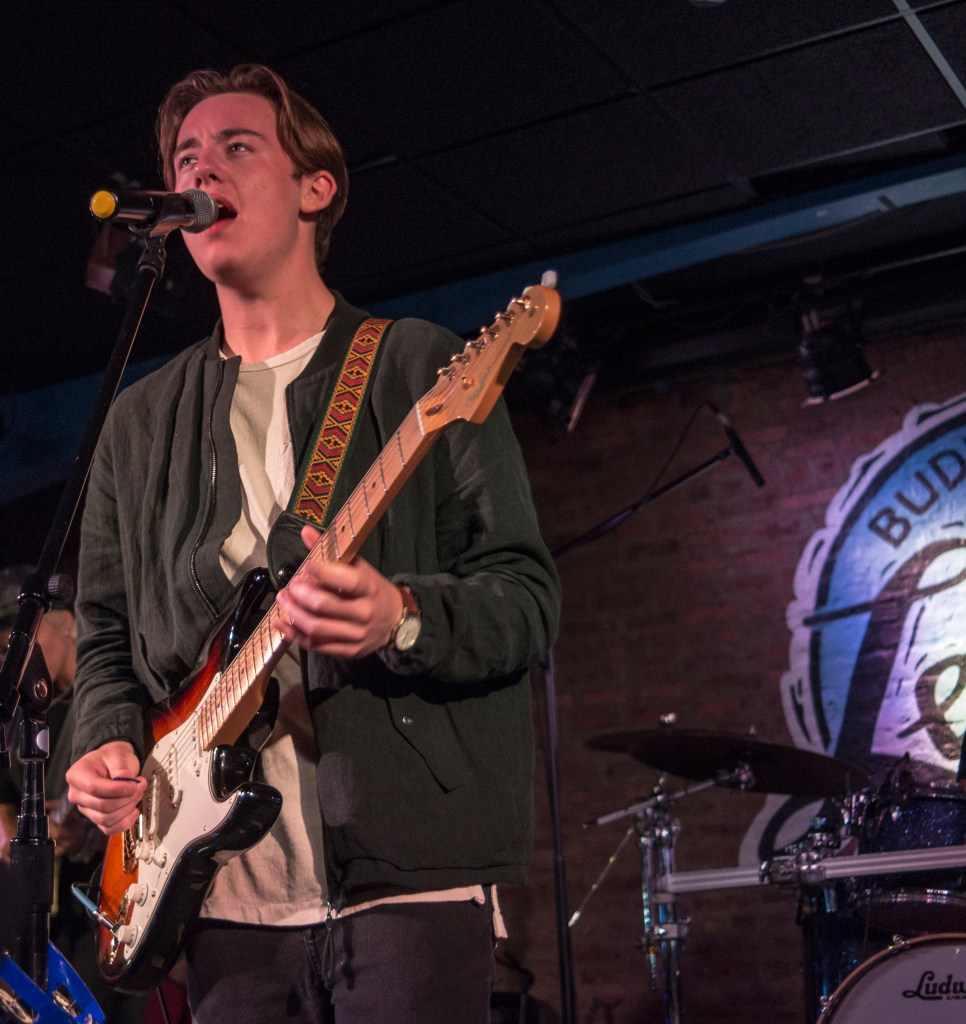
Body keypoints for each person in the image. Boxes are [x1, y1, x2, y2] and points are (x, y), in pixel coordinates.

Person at [65, 64, 560, 1024]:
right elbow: (104, 635)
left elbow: (526, 600)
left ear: (315, 188)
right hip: (221, 898)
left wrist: (401, 617)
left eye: (236, 147)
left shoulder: (419, 365)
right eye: (185, 158)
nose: (201, 170)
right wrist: (106, 739)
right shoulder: (138, 422)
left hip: (407, 889)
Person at [0, 565, 147, 1024]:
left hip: (115, 899)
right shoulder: (23, 717)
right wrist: (15, 835)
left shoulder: (113, 696)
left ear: (67, 620)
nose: (11, 657)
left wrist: (92, 831)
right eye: (4, 650)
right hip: (53, 914)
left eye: (16, 642)